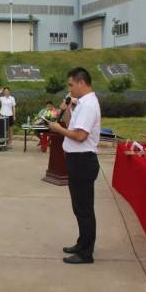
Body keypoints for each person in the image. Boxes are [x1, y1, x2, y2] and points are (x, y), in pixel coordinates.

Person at [48, 67, 101, 265]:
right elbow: (73, 126)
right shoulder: (81, 104)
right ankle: (82, 243)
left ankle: (86, 253)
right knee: (79, 207)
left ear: (81, 82)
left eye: (71, 85)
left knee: (84, 208)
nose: (70, 89)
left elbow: (80, 136)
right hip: (76, 159)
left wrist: (58, 129)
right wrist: (68, 108)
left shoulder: (88, 105)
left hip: (83, 160)